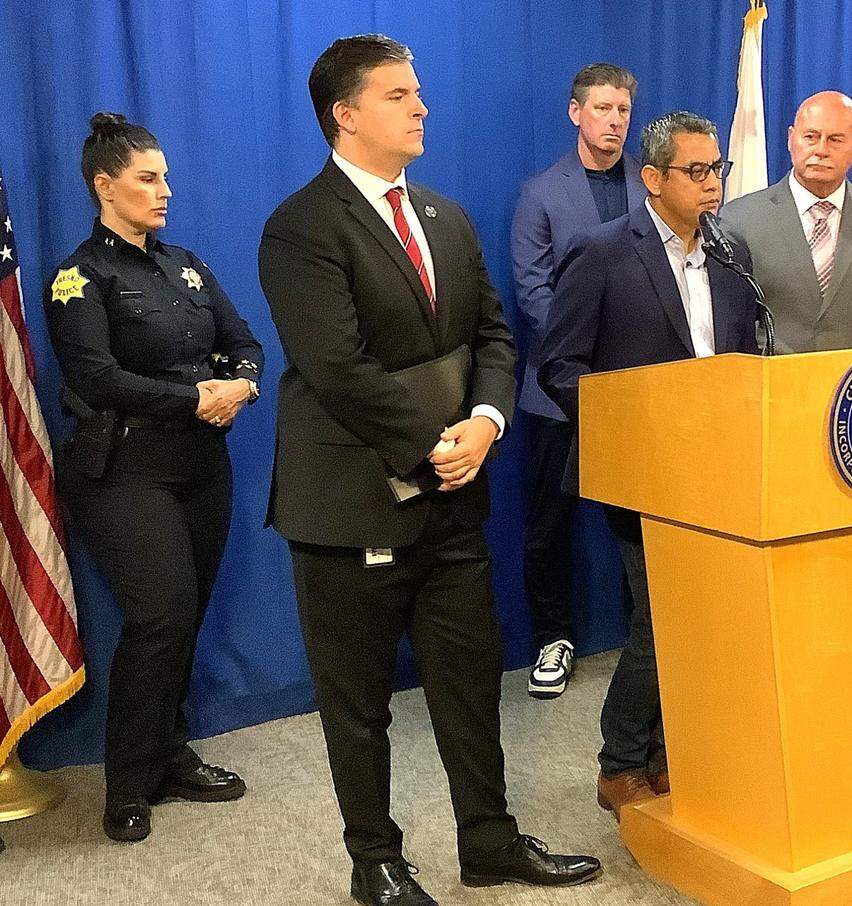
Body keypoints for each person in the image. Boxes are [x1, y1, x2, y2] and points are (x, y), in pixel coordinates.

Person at [257, 35, 600, 906]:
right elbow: (334, 365)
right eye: (400, 94)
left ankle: (488, 843)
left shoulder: (443, 216)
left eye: (421, 92)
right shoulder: (300, 226)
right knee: (360, 703)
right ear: (346, 114)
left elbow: (491, 333)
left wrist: (484, 424)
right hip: (349, 508)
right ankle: (375, 862)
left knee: (468, 684)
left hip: (453, 501)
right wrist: (433, 444)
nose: (422, 106)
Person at [44, 113, 263, 842]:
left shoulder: (186, 264)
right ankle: (129, 781)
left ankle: (168, 754)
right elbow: (97, 378)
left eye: (165, 176)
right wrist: (197, 397)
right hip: (123, 469)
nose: (165, 190)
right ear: (105, 186)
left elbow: (242, 342)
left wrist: (242, 385)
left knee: (187, 615)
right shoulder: (81, 277)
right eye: (148, 178)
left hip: (201, 464)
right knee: (160, 616)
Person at [538, 111, 760, 819]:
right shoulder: (602, 251)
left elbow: (743, 358)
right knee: (660, 622)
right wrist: (634, 429)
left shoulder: (731, 253)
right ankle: (620, 761)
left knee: (702, 619)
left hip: (719, 469)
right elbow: (561, 367)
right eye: (696, 172)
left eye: (717, 169)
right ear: (653, 178)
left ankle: (670, 748)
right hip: (643, 474)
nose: (712, 184)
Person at [511, 62, 645, 700]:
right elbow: (533, 291)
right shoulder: (541, 192)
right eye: (602, 109)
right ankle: (554, 639)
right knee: (550, 524)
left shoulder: (652, 186)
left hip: (642, 392)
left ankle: (647, 638)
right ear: (576, 113)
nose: (614, 122)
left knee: (644, 522)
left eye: (622, 110)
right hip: (560, 393)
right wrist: (585, 362)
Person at [720, 90, 852, 352]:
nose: (821, 150)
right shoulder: (739, 219)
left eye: (835, 140)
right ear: (790, 139)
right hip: (773, 382)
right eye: (811, 137)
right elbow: (734, 321)